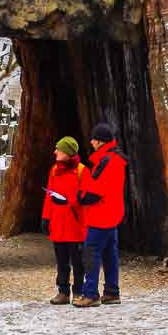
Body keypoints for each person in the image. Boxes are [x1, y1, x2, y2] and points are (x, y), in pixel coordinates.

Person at [72, 123, 127, 308]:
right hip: (113, 213)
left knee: (91, 253)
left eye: (94, 139)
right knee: (110, 254)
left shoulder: (106, 161)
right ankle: (112, 292)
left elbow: (96, 191)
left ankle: (91, 294)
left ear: (100, 142)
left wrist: (80, 196)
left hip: (100, 215)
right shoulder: (116, 159)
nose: (91, 142)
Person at [41, 136, 87, 305]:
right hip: (58, 224)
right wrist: (46, 218)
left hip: (75, 225)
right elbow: (49, 196)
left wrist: (70, 202)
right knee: (61, 261)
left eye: (58, 149)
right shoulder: (54, 170)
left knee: (78, 261)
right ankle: (63, 291)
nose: (55, 152)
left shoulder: (82, 171)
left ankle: (78, 291)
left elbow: (87, 198)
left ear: (67, 153)